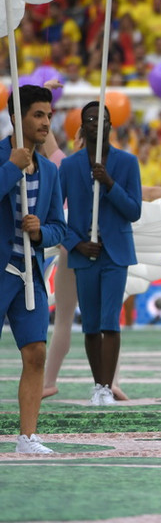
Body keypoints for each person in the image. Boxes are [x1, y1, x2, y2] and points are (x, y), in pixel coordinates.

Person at [59, 102, 142, 406]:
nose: (97, 123)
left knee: (110, 320)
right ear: (82, 127)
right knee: (91, 322)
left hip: (116, 252)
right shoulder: (68, 166)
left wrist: (109, 183)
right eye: (91, 119)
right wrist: (76, 243)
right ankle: (97, 385)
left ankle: (107, 387)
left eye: (103, 119)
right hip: (85, 253)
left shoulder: (128, 163)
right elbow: (56, 213)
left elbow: (133, 210)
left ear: (111, 125)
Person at [1, 85, 66, 453]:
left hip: (30, 272)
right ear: (16, 116)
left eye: (48, 114)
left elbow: (60, 225)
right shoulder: (2, 157)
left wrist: (41, 231)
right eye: (38, 114)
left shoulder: (50, 171)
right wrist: (11, 167)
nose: (46, 121)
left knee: (36, 353)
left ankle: (27, 437)